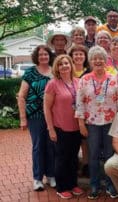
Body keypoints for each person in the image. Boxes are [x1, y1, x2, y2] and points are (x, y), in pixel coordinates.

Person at [75, 46, 118, 200]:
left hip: (110, 123)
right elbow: (80, 103)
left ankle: (110, 184)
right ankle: (94, 185)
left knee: (110, 155)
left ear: (105, 60)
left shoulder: (113, 79)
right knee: (93, 155)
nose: (98, 61)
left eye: (101, 58)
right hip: (92, 123)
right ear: (90, 61)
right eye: (94, 58)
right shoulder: (85, 80)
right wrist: (81, 123)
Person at [43, 55, 84, 199]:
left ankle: (73, 184)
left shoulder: (78, 82)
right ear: (57, 67)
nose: (64, 66)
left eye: (66, 63)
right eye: (61, 64)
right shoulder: (53, 84)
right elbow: (47, 108)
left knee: (73, 158)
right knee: (62, 158)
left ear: (71, 65)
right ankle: (62, 187)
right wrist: (50, 129)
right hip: (60, 128)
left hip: (77, 127)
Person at [17, 45, 56, 191]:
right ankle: (37, 178)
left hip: (53, 116)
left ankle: (51, 175)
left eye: (46, 54)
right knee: (38, 146)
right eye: (40, 55)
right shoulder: (30, 73)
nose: (43, 57)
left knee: (52, 146)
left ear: (49, 56)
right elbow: (21, 96)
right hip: (36, 115)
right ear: (36, 57)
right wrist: (22, 118)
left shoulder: (54, 71)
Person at [68, 44, 90, 177]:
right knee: (72, 139)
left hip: (86, 112)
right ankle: (74, 163)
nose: (78, 56)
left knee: (85, 139)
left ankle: (86, 164)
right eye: (75, 54)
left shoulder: (89, 71)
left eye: (81, 54)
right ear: (71, 56)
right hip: (69, 112)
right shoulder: (67, 71)